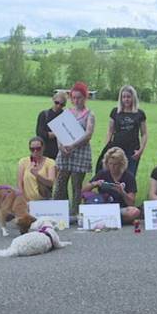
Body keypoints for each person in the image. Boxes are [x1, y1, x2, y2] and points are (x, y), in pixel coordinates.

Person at [53, 82, 96, 216]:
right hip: (65, 152)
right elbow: (59, 129)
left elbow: (88, 134)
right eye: (74, 97)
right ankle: (59, 211)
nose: (76, 100)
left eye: (79, 97)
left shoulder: (89, 114)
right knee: (60, 183)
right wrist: (61, 146)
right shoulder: (67, 112)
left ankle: (75, 213)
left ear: (85, 98)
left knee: (76, 185)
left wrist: (73, 145)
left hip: (80, 152)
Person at [83, 147, 141, 224]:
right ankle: (113, 220)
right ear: (107, 163)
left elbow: (131, 203)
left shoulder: (129, 177)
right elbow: (83, 191)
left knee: (135, 212)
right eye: (110, 163)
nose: (112, 167)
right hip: (103, 206)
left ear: (121, 164)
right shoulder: (102, 173)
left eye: (115, 164)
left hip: (120, 209)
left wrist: (122, 192)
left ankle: (107, 220)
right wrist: (95, 184)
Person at [102, 85, 148, 179]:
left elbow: (144, 134)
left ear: (133, 98)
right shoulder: (115, 112)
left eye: (128, 97)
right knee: (114, 175)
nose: (126, 99)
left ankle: (128, 193)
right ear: (121, 98)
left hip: (133, 150)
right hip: (117, 149)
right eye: (124, 97)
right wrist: (107, 148)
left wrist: (141, 150)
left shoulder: (139, 114)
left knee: (130, 175)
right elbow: (110, 131)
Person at [17, 136, 57, 201]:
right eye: (32, 149)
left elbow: (51, 183)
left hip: (44, 200)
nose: (35, 151)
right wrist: (22, 198)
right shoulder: (23, 162)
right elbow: (20, 183)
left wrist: (37, 175)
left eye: (38, 149)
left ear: (43, 148)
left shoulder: (50, 162)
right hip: (27, 201)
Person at [35, 91, 67, 160]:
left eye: (62, 104)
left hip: (61, 153)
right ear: (53, 99)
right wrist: (57, 133)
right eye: (57, 103)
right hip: (45, 152)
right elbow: (40, 133)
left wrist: (52, 134)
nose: (58, 106)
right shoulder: (44, 114)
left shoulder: (66, 116)